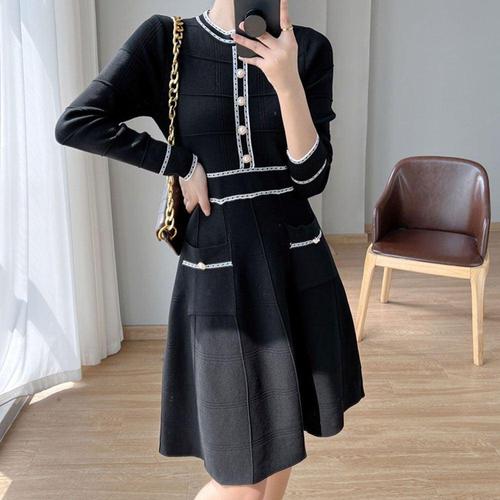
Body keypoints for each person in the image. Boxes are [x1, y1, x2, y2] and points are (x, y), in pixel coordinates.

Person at [54, 0, 365, 498]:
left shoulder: (308, 49)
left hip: (297, 265)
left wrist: (286, 82)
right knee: (239, 477)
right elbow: (77, 121)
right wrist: (177, 162)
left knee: (280, 449)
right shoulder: (166, 41)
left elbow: (311, 178)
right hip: (220, 275)